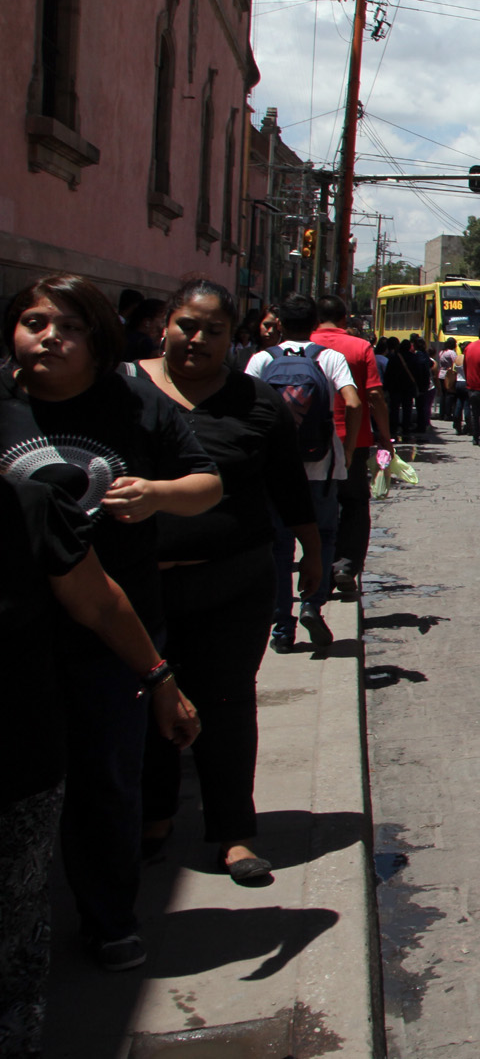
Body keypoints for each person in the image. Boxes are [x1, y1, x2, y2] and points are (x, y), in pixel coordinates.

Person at [1, 274, 221, 971]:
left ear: (97, 340)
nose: (48, 337)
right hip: (17, 642)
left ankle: (108, 917)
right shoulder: (2, 403)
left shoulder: (135, 405)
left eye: (66, 326)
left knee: (106, 780)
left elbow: (206, 483)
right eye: (34, 322)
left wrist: (156, 494)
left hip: (116, 634)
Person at [1, 476, 198, 1052]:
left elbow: (101, 602)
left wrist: (159, 679)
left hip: (18, 761)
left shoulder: (28, 505)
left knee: (13, 928)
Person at [137, 281, 320, 884]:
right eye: (188, 325)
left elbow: (289, 490)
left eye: (214, 330)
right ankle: (153, 816)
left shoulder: (257, 404)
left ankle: (234, 833)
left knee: (228, 703)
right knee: (143, 701)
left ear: (233, 337)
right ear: (165, 324)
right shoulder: (122, 390)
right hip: (136, 591)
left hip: (233, 584)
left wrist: (313, 553)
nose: (198, 339)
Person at [246, 295, 361, 653]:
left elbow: (243, 406)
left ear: (279, 324)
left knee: (280, 546)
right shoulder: (329, 358)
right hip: (321, 466)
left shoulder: (263, 359)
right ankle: (313, 604)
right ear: (314, 323)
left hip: (276, 471)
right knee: (324, 537)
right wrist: (348, 448)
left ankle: (283, 626)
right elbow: (354, 402)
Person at [309, 296, 385, 602]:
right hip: (353, 439)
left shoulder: (304, 345)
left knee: (316, 505)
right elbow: (375, 395)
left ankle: (319, 569)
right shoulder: (359, 346)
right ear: (344, 319)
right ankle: (345, 565)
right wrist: (386, 435)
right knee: (354, 503)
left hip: (309, 441)